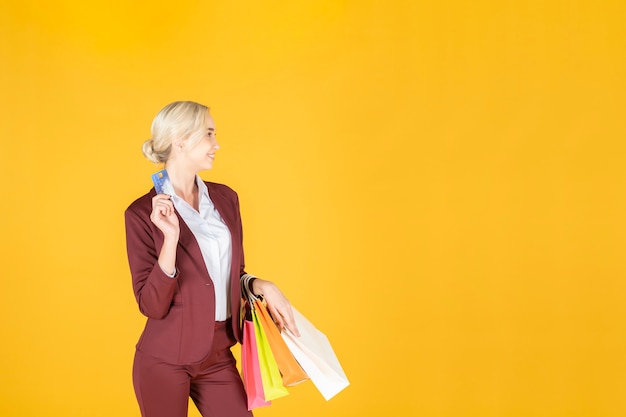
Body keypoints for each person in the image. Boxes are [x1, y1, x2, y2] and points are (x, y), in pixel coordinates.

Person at [124, 101, 299, 417]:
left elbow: (232, 273)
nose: (216, 144)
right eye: (208, 134)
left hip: (217, 354)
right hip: (165, 359)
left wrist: (261, 285)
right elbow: (150, 305)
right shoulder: (140, 214)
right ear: (180, 140)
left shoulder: (226, 198)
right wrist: (170, 241)